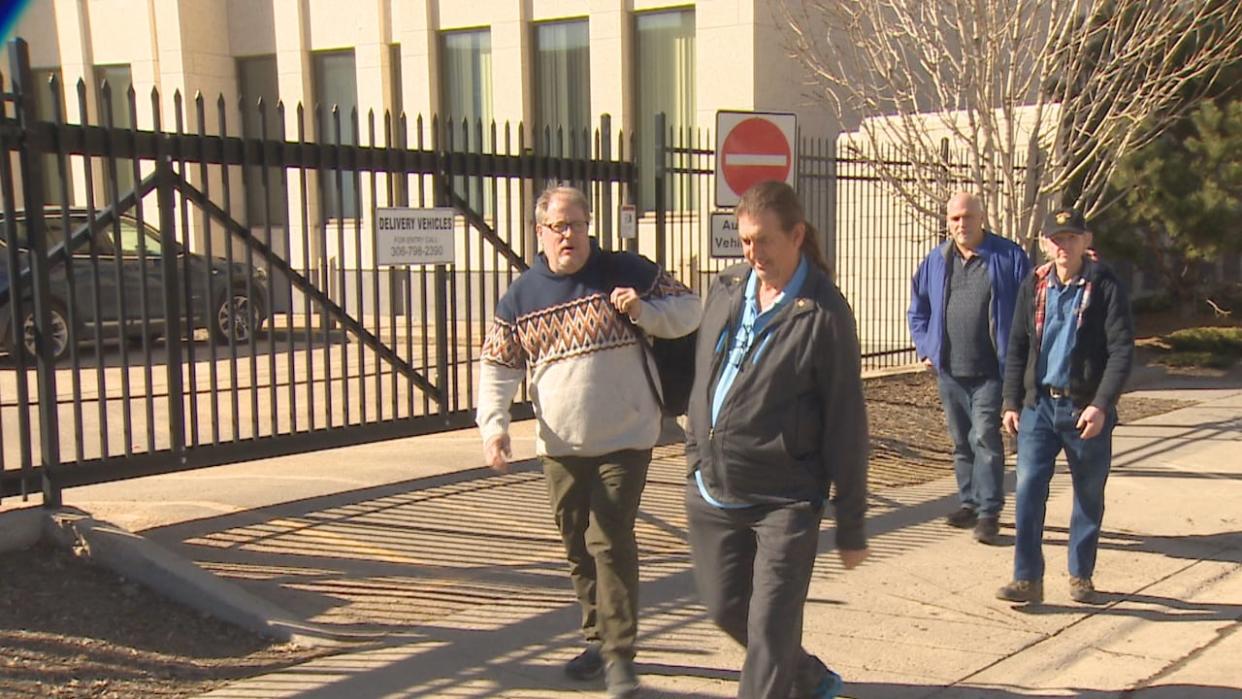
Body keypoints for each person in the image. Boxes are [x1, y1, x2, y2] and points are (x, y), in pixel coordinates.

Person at [476, 184, 701, 698]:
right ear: (540, 233)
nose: (569, 235)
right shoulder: (520, 297)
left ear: (588, 227)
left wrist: (645, 311)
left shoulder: (626, 270)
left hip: (627, 436)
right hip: (560, 447)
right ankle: (599, 638)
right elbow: (497, 369)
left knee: (610, 539)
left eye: (577, 224)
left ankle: (620, 656)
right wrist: (494, 429)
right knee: (578, 546)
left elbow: (691, 310)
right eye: (559, 227)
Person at [683, 180, 869, 699]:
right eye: (745, 240)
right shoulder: (726, 288)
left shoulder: (823, 312)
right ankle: (808, 677)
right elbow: (705, 375)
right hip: (714, 489)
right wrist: (696, 452)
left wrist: (850, 521)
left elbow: (846, 421)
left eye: (764, 240)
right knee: (726, 609)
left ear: (797, 235)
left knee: (768, 632)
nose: (753, 253)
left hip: (786, 497)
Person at [996, 207, 1134, 605]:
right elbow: (1018, 346)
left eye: (1072, 237)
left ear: (1086, 242)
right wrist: (1011, 401)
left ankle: (1081, 576)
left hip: (1083, 409)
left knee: (1088, 495)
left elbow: (1121, 350)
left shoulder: (1104, 285)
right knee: (1027, 491)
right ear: (1044, 244)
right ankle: (1026, 579)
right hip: (1039, 405)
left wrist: (1102, 404)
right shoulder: (1035, 284)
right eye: (1056, 239)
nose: (1063, 246)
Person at [908, 191, 1032, 544]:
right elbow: (918, 309)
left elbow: (1027, 310)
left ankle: (990, 511)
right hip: (950, 371)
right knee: (961, 441)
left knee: (985, 439)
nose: (961, 224)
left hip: (992, 371)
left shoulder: (1008, 257)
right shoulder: (937, 260)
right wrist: (927, 348)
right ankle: (969, 502)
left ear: (981, 218)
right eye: (955, 219)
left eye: (967, 217)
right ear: (948, 222)